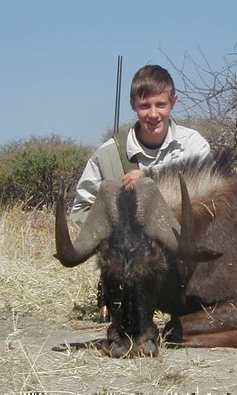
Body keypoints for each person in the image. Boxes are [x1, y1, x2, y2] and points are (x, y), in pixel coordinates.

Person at [71, 64, 211, 321]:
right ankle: (111, 293)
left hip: (177, 254)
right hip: (128, 260)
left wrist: (150, 179)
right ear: (133, 104)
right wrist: (112, 230)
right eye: (145, 105)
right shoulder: (108, 154)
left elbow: (209, 200)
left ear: (174, 102)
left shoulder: (194, 145)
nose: (154, 114)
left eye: (161, 104)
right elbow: (81, 209)